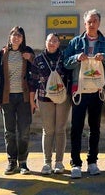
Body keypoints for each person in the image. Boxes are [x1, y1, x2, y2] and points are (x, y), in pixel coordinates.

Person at [64, 9, 105, 179]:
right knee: (76, 128)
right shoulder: (75, 42)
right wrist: (77, 57)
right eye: (89, 22)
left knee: (95, 128)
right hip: (79, 91)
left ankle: (92, 161)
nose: (92, 24)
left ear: (99, 23)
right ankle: (75, 163)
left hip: (97, 91)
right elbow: (66, 63)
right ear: (84, 24)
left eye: (94, 21)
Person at [0, 26, 36, 175]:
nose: (16, 37)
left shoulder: (28, 51)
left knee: (24, 130)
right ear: (10, 37)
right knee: (9, 131)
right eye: (14, 35)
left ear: (23, 38)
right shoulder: (3, 53)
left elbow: (37, 70)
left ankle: (23, 162)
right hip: (7, 97)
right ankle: (12, 162)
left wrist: (30, 58)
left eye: (19, 35)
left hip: (23, 97)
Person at [31, 33, 71, 175]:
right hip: (44, 99)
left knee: (60, 129)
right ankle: (47, 162)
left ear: (59, 44)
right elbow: (33, 81)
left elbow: (71, 76)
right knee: (48, 130)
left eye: (55, 41)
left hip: (62, 98)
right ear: (45, 42)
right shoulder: (38, 59)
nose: (52, 43)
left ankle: (59, 162)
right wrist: (32, 100)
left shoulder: (65, 57)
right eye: (49, 41)